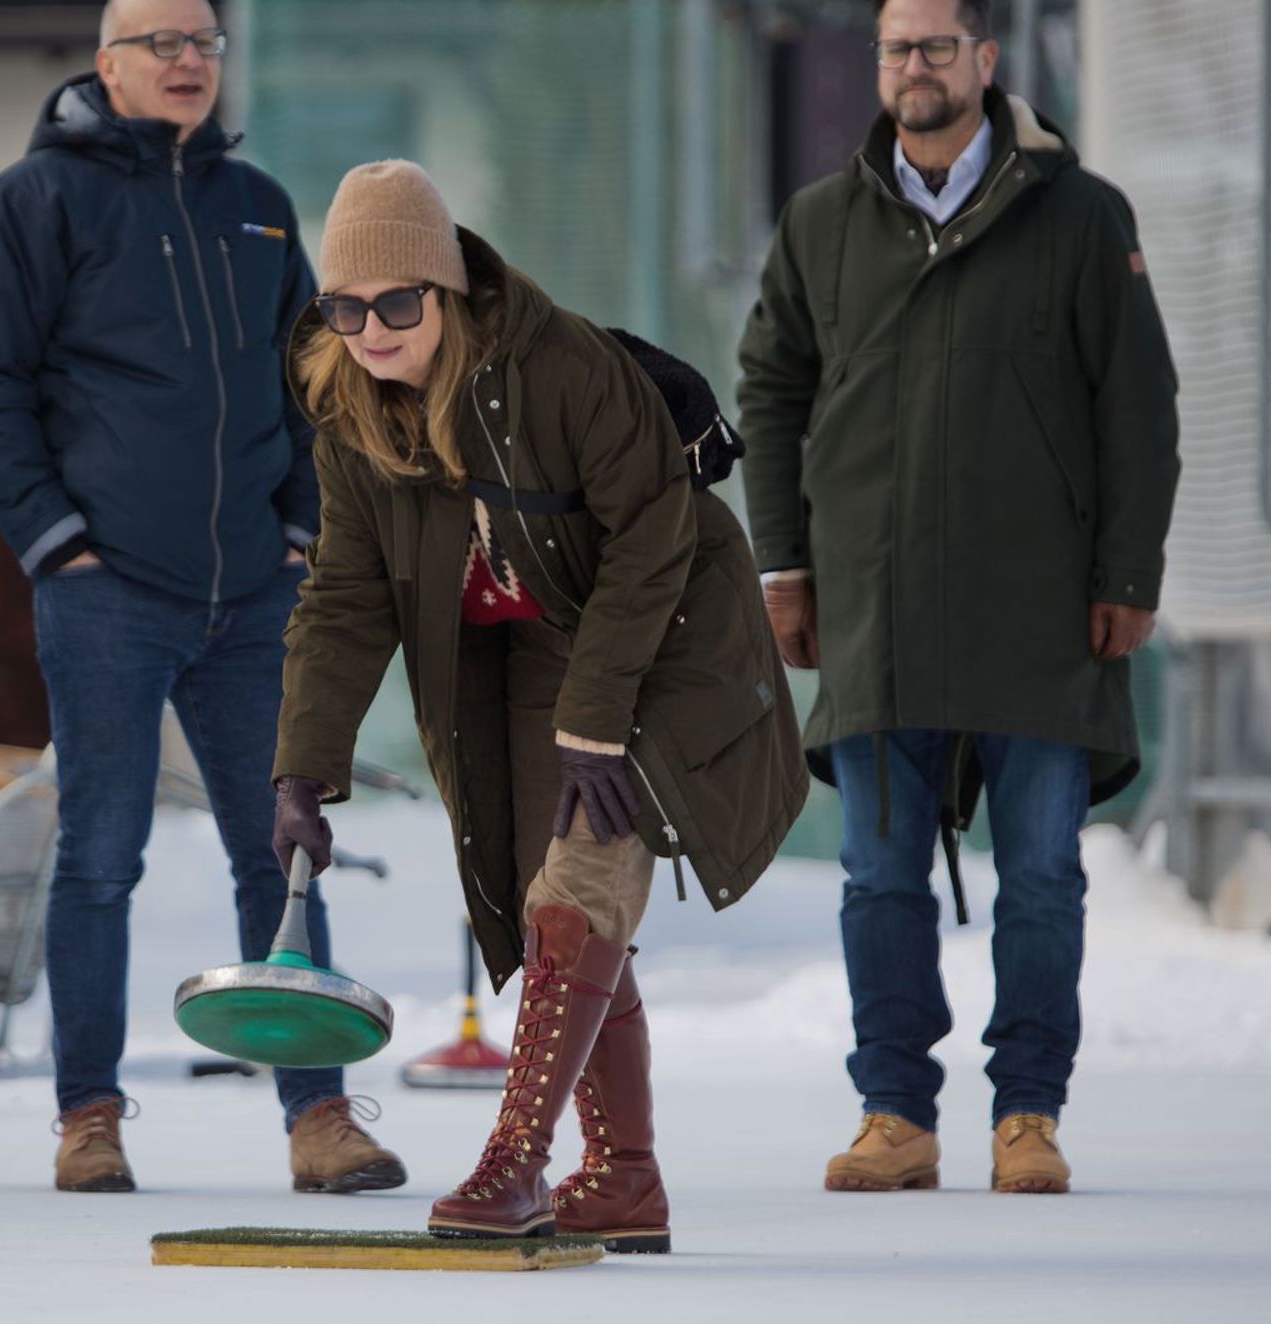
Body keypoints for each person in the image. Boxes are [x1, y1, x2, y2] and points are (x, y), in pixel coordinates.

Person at [273, 160, 807, 1251]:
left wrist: (596, 716)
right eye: (345, 307)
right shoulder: (351, 414)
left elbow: (653, 535)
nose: (369, 331)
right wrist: (302, 767)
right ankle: (625, 1179)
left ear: (446, 290)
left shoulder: (560, 366)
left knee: (578, 887)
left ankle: (515, 1163)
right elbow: (343, 599)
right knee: (546, 909)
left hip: (658, 628)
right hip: (515, 652)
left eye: (396, 303)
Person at [0, 0, 403, 1195]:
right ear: (107, 64)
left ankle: (318, 1119)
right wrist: (53, 540)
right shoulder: (32, 201)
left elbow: (313, 378)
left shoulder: (257, 205)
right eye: (163, 43)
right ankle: (88, 1119)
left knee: (281, 846)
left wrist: (298, 526)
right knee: (101, 855)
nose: (190, 61)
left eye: (204, 42)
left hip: (251, 590)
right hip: (108, 586)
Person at [736, 0, 1181, 1195]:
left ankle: (1026, 1112)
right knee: (878, 878)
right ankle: (894, 1114)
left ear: (985, 60)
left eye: (938, 45)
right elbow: (769, 395)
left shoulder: (1078, 214)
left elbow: (1136, 405)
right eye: (896, 47)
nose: (914, 66)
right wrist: (782, 565)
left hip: (1042, 608)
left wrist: (1126, 574)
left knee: (1039, 877)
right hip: (874, 605)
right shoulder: (821, 222)